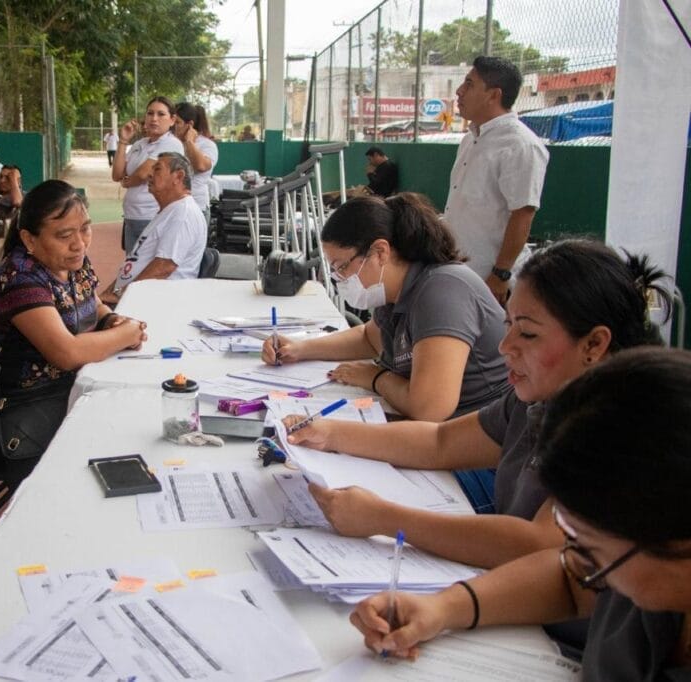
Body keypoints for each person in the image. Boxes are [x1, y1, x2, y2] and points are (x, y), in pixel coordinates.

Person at [286, 239, 668, 572]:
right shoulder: (534, 400)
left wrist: (384, 518)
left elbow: (538, 545)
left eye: (527, 333)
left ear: (594, 345)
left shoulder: (618, 431)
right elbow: (440, 442)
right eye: (508, 324)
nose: (505, 346)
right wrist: (330, 433)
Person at [350, 347, 691, 680]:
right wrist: (443, 607)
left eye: (594, 554)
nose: (584, 567)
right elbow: (569, 580)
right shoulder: (637, 560)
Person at [266, 193, 509, 422]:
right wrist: (299, 349)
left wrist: (375, 377)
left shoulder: (442, 292)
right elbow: (369, 338)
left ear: (380, 252)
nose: (340, 278)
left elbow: (429, 408)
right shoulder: (395, 292)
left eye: (342, 267)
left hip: (484, 435)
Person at [0, 180, 148, 491]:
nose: (79, 243)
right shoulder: (20, 278)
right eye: (64, 235)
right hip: (20, 416)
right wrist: (126, 334)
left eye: (85, 229)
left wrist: (111, 319)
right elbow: (66, 353)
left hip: (64, 392)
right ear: (29, 239)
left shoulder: (71, 260)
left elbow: (91, 302)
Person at [444, 56, 549, 305]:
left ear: (494, 95)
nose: (459, 91)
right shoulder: (470, 140)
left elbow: (522, 215)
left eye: (469, 84)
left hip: (491, 281)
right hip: (461, 272)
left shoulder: (520, 145)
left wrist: (501, 274)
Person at [101, 152, 207, 305]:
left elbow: (164, 267)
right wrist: (111, 292)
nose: (149, 174)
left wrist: (121, 294)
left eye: (157, 169)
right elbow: (135, 262)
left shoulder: (183, 214)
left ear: (178, 177)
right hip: (137, 297)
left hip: (155, 303)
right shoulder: (170, 211)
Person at [112, 96, 185, 252]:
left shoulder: (171, 143)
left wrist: (127, 182)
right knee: (131, 265)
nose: (154, 119)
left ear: (172, 120)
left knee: (147, 265)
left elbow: (143, 174)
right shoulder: (140, 144)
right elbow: (117, 174)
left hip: (152, 217)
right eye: (150, 113)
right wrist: (123, 141)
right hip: (131, 216)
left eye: (161, 114)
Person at [174, 102, 219, 218]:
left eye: (177, 122)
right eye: (172, 121)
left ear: (189, 125)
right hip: (173, 207)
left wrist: (189, 142)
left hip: (197, 207)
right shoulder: (171, 143)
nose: (173, 126)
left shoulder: (207, 145)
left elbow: (201, 166)